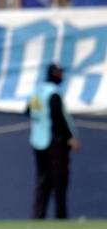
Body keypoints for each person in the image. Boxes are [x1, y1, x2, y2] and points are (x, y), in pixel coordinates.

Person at [28, 64, 81, 219]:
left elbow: (29, 111)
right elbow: (58, 118)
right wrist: (70, 138)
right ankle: (61, 216)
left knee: (43, 181)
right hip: (55, 143)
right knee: (60, 182)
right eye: (60, 73)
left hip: (38, 141)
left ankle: (38, 216)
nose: (62, 76)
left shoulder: (37, 92)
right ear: (55, 74)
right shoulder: (53, 94)